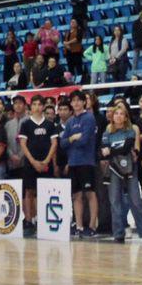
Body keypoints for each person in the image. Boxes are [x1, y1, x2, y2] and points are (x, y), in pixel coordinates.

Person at [101, 103, 142, 244]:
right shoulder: (107, 132)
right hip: (112, 169)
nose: (118, 116)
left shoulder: (130, 131)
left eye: (121, 114)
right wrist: (111, 151)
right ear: (112, 116)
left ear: (125, 117)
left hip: (129, 168)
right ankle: (118, 233)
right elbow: (103, 151)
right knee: (114, 201)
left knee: (135, 200)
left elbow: (125, 148)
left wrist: (111, 150)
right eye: (116, 113)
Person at [18, 98, 57, 235]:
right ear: (31, 106)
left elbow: (54, 143)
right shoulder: (26, 124)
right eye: (34, 104)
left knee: (45, 192)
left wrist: (46, 161)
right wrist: (33, 161)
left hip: (46, 163)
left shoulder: (49, 124)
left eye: (39, 104)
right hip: (30, 163)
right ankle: (29, 221)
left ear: (43, 106)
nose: (37, 106)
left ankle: (43, 221)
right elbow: (23, 144)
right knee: (29, 191)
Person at [62, 92, 99, 238]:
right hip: (73, 162)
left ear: (84, 102)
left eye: (79, 100)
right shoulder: (70, 121)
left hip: (86, 161)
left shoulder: (89, 118)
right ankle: (79, 225)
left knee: (90, 193)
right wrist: (72, 137)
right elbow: (63, 143)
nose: (76, 103)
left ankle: (91, 226)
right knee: (76, 195)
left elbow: (84, 140)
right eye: (74, 101)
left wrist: (72, 140)